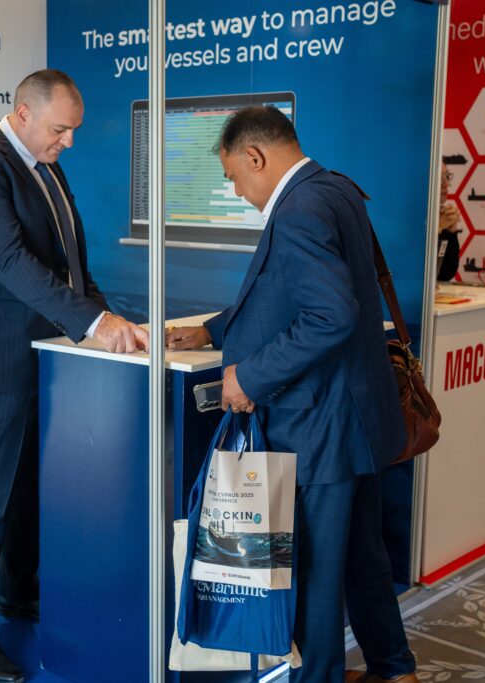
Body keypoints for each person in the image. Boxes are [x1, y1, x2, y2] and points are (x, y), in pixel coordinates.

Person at [166, 106, 418, 683]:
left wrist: (250, 376)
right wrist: (216, 329)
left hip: (320, 425)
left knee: (315, 575)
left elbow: (330, 314)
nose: (237, 190)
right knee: (362, 557)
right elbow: (288, 293)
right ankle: (394, 669)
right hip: (353, 420)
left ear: (255, 156)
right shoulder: (335, 189)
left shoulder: (299, 209)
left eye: (233, 177)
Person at [0, 69, 149, 683]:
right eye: (61, 129)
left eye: (73, 130)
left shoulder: (45, 165)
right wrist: (93, 322)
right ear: (23, 114)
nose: (69, 141)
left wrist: (107, 317)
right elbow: (9, 261)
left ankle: (18, 594)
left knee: (29, 492)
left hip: (45, 356)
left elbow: (69, 266)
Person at [436, 162, 461, 281]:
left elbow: (446, 274)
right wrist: (437, 229)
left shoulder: (442, 214)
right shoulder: (406, 218)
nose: (446, 184)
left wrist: (451, 232)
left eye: (446, 176)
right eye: (439, 178)